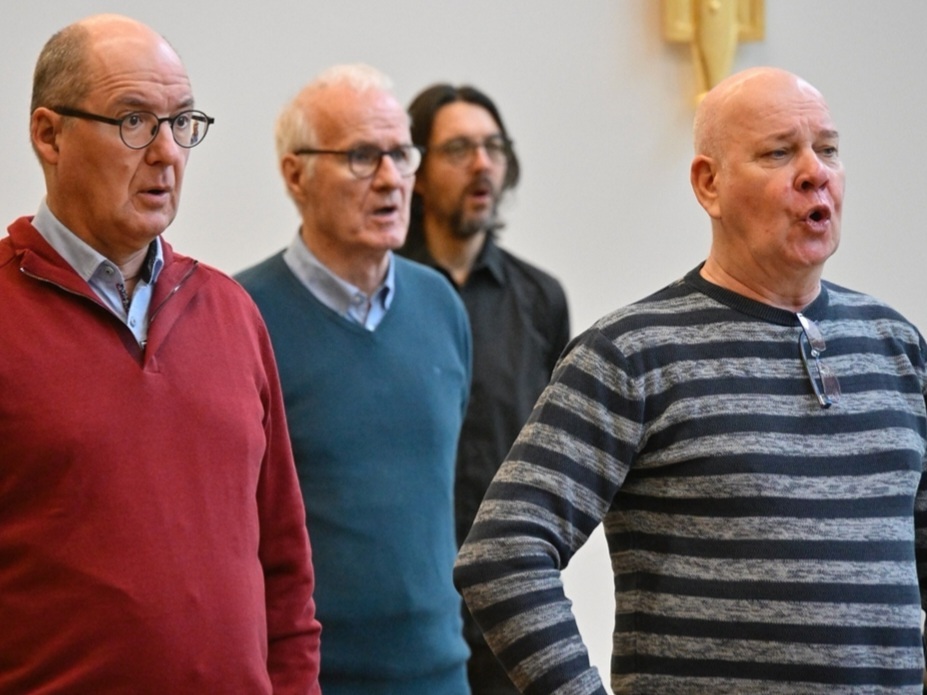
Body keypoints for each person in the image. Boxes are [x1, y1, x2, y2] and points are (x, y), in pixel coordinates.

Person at [454, 66, 927, 694]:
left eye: (829, 149)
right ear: (710, 183)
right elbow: (502, 555)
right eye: (779, 153)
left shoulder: (896, 346)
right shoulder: (631, 353)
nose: (815, 172)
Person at [0, 13, 321, 695]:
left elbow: (285, 570)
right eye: (134, 121)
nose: (167, 152)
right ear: (49, 135)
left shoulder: (231, 312)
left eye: (181, 122)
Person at [235, 64, 472, 695]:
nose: (391, 179)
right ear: (296, 175)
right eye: (362, 157)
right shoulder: (240, 318)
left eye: (401, 154)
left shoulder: (441, 304)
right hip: (310, 678)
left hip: (440, 671)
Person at [399, 83, 570, 694]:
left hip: (512, 605)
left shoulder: (540, 299)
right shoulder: (384, 295)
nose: (482, 164)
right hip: (409, 603)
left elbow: (556, 462)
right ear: (417, 173)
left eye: (493, 147)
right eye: (458, 149)